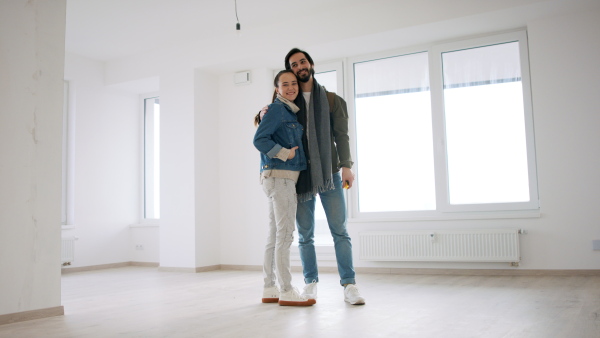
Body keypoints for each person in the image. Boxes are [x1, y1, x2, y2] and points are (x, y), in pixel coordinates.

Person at [259, 48, 365, 305]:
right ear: (289, 72)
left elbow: (342, 136)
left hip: (329, 173)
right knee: (305, 235)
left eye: (302, 61)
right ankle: (310, 283)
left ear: (311, 64)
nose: (299, 66)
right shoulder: (285, 104)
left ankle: (349, 285)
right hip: (300, 176)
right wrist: (262, 114)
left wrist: (347, 165)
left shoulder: (331, 100)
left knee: (340, 230)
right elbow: (266, 130)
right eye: (293, 65)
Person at [253, 70, 316, 307]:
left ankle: (270, 288)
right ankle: (287, 290)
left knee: (274, 235)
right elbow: (259, 140)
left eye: (294, 84)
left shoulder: (285, 110)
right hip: (281, 177)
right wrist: (285, 153)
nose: (291, 88)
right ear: (277, 88)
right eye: (285, 84)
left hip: (274, 177)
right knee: (285, 234)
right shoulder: (278, 109)